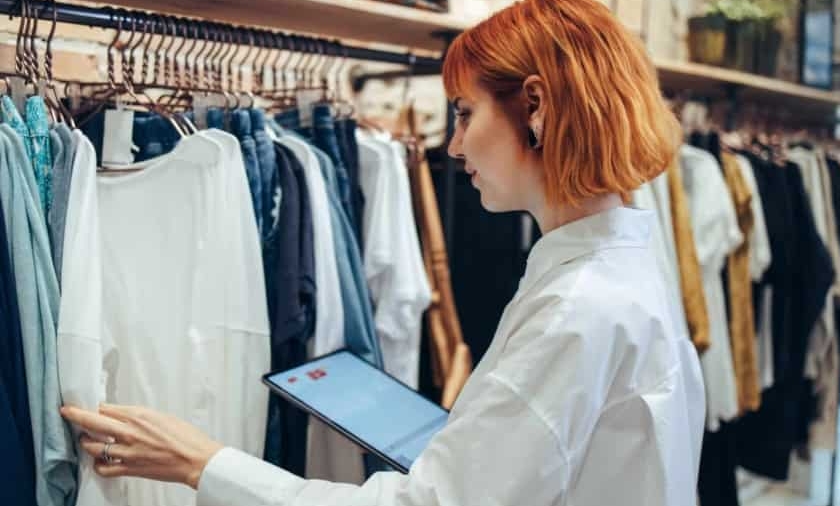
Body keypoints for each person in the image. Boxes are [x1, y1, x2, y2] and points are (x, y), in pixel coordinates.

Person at [61, 0, 706, 504]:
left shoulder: (578, 309)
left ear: (533, 106)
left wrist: (202, 463)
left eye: (463, 114)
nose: (453, 147)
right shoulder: (622, 268)